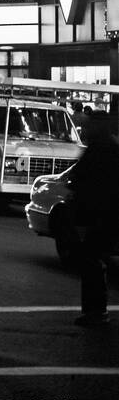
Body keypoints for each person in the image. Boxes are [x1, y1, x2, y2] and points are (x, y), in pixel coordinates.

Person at [66, 112, 119, 327]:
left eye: (88, 126)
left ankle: (96, 311)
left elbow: (80, 177)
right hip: (105, 214)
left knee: (91, 261)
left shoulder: (100, 150)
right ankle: (97, 311)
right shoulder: (109, 147)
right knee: (95, 259)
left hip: (100, 215)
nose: (84, 130)